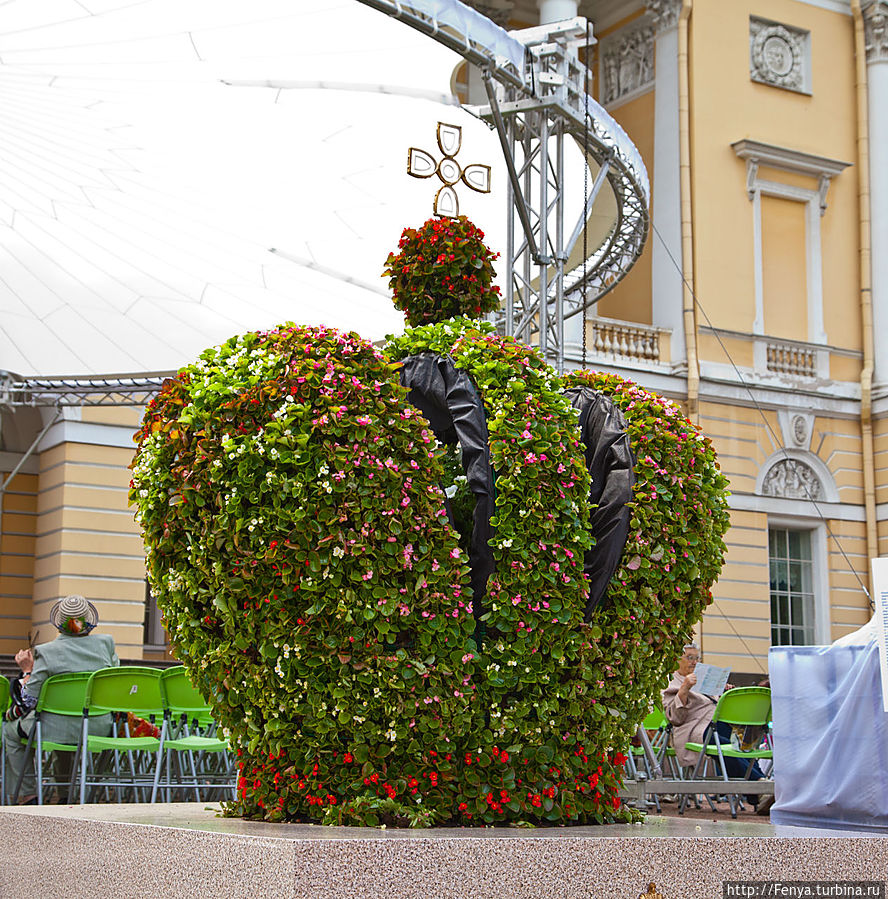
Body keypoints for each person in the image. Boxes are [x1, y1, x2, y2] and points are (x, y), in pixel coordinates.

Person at [3, 594, 118, 804]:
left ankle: (28, 794)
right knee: (64, 736)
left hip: (53, 728)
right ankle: (65, 796)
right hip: (98, 726)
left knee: (10, 732)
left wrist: (27, 671)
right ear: (89, 621)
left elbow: (29, 701)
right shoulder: (106, 644)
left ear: (59, 623)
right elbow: (114, 683)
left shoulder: (46, 652)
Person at [661, 642, 764, 804]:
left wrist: (724, 692)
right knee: (723, 745)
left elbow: (712, 704)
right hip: (693, 729)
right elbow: (675, 719)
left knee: (741, 744)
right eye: (689, 658)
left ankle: (758, 790)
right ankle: (759, 786)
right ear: (676, 660)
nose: (694, 662)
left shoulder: (705, 678)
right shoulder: (670, 683)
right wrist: (684, 689)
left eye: (697, 658)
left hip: (716, 722)